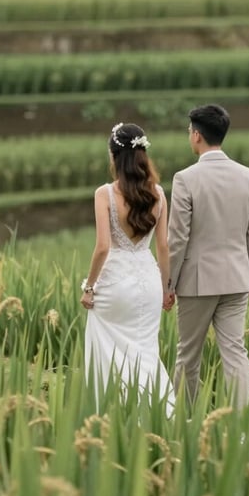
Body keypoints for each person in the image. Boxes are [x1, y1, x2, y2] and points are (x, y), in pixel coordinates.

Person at [166, 104, 249, 409]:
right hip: (237, 279)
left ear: (196, 135)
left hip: (196, 283)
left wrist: (169, 283)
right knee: (236, 353)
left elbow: (178, 237)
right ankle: (240, 427)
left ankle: (185, 423)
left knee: (188, 356)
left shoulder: (185, 179)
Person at [80, 122, 175, 412]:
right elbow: (163, 247)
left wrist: (89, 287)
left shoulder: (104, 194)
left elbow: (103, 247)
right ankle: (162, 412)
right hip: (148, 283)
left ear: (114, 156)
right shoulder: (158, 193)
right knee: (146, 351)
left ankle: (112, 415)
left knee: (107, 351)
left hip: (115, 284)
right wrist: (167, 288)